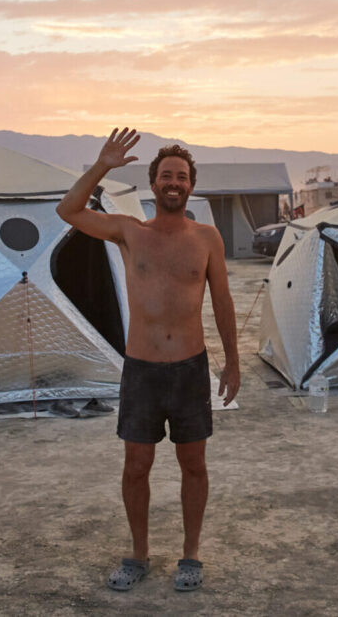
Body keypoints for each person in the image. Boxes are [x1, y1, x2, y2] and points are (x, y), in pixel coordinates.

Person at [56, 127, 240, 593]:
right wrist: (102, 165)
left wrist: (233, 362)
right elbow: (68, 211)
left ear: (190, 186)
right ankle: (138, 554)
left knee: (193, 465)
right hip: (141, 371)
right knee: (136, 466)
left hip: (189, 369)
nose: (173, 183)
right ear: (153, 184)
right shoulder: (128, 231)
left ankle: (191, 554)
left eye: (181, 176)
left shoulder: (207, 238)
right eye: (165, 176)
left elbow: (222, 303)